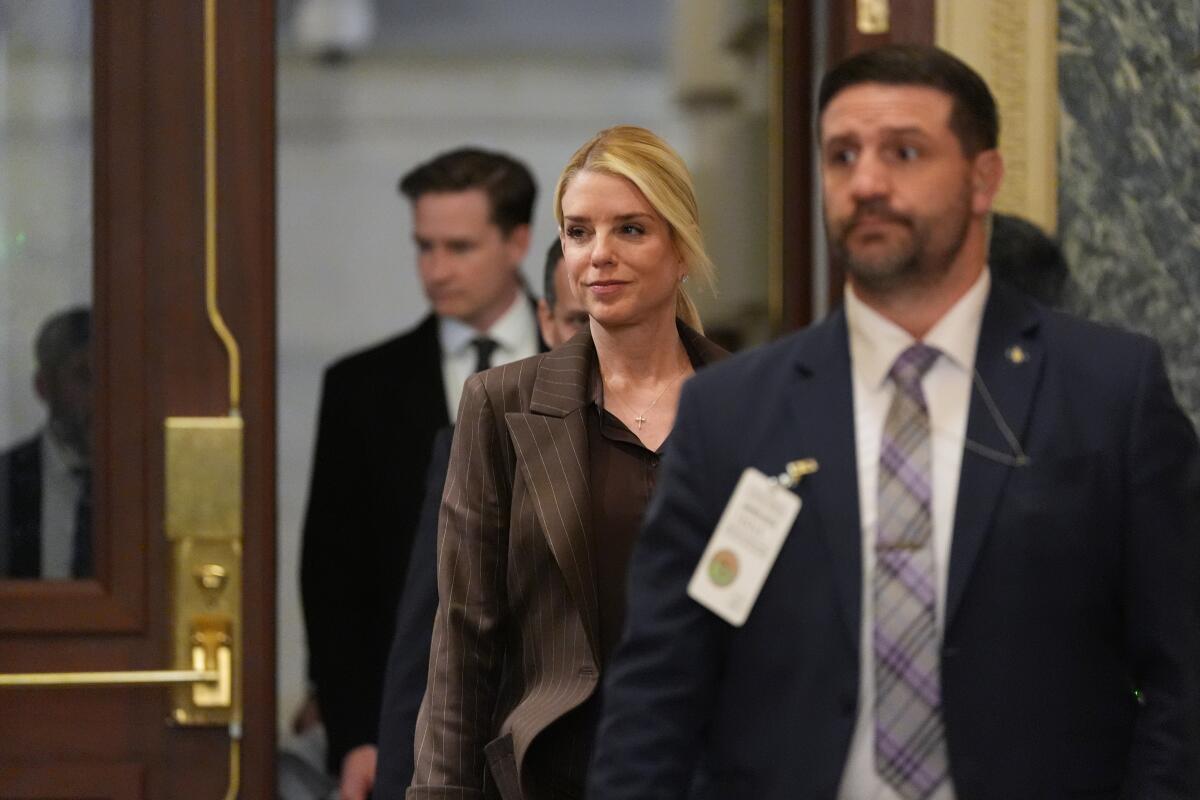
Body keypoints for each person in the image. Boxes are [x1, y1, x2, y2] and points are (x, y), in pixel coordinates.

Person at [588, 45, 1200, 799]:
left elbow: (1182, 672)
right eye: (842, 156)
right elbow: (657, 693)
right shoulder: (732, 412)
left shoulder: (1108, 390)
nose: (867, 183)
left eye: (904, 152)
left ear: (984, 180)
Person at [407, 126, 726, 800]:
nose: (599, 256)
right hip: (555, 774)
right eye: (579, 232)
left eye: (631, 230)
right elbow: (464, 642)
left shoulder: (755, 402)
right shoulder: (500, 405)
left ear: (682, 250)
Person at [299, 147, 544, 799]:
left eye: (459, 247)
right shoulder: (361, 388)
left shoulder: (585, 362)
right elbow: (333, 579)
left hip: (556, 718)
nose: (436, 270)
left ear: (517, 240)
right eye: (424, 247)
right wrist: (356, 732)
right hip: (410, 724)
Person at [373, 239, 589, 799]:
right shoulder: (485, 434)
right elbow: (433, 641)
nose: (593, 343)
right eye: (577, 321)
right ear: (544, 320)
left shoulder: (707, 425)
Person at [0, 307, 93, 580]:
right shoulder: (6, 479)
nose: (102, 393)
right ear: (44, 386)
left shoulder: (145, 481)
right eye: (84, 377)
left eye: (113, 375)